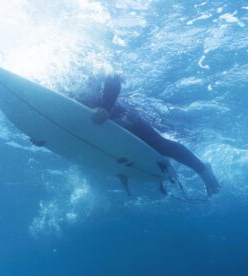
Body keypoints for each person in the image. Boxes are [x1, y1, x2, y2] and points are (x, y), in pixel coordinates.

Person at [75, 74, 220, 196]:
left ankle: (203, 170)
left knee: (160, 145)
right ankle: (138, 168)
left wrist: (105, 108)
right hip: (101, 133)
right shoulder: (62, 89)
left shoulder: (79, 73)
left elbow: (114, 77)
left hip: (120, 114)